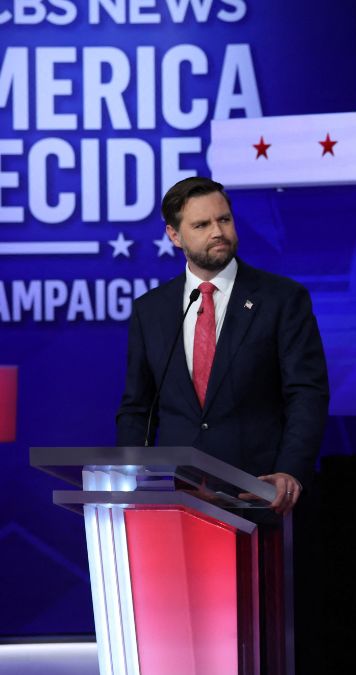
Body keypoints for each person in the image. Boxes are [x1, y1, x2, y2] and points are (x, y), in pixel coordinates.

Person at [116, 176, 329, 516]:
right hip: (177, 498)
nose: (217, 231)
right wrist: (127, 476)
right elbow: (138, 408)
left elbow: (307, 393)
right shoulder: (150, 311)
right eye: (201, 224)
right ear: (174, 235)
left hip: (260, 494)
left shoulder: (282, 299)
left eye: (224, 219)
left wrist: (290, 471)